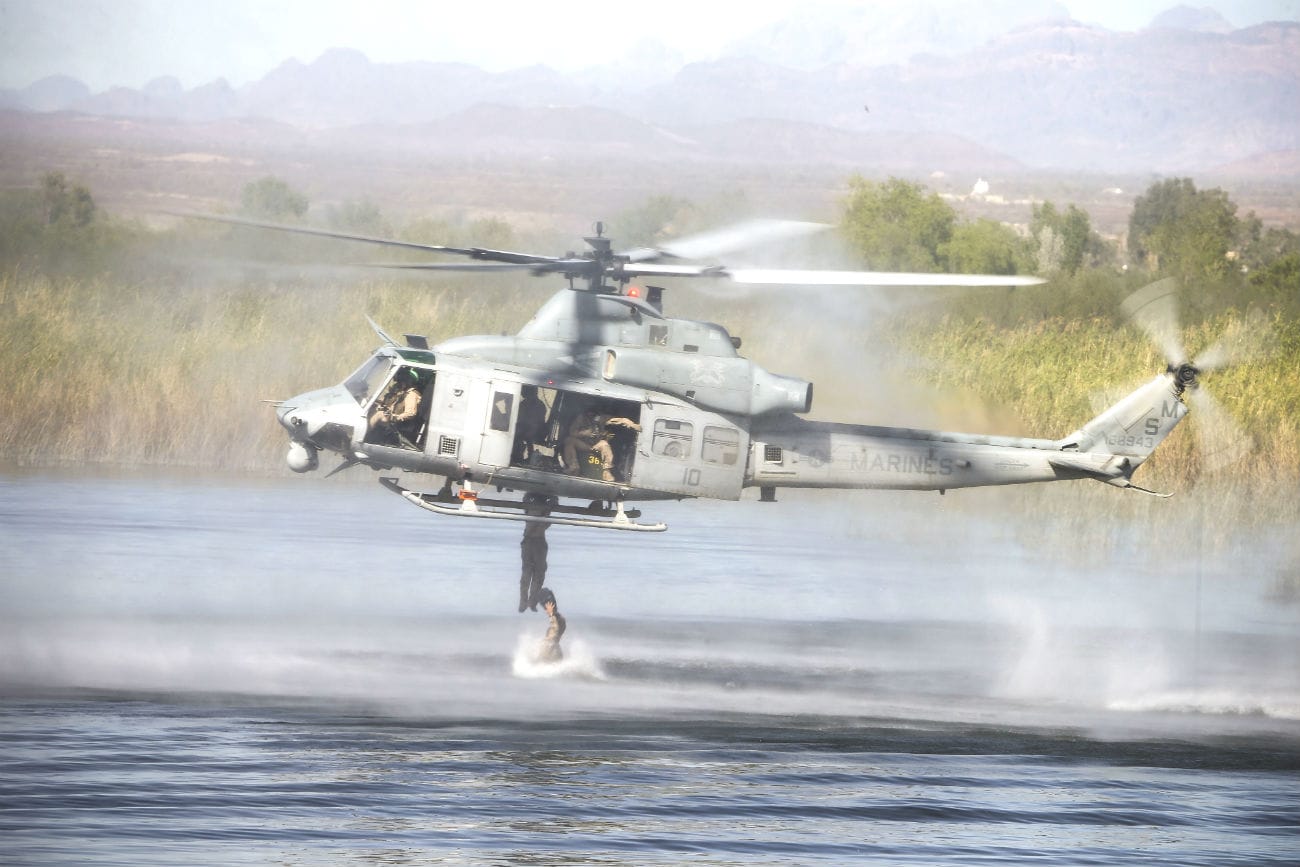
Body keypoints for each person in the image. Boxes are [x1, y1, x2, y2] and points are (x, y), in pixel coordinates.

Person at [563, 411, 640, 482]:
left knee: (604, 444)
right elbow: (572, 432)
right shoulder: (580, 418)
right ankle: (573, 467)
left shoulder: (602, 418)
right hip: (583, 444)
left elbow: (619, 420)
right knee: (569, 440)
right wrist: (585, 433)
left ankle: (607, 472)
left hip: (597, 445)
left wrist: (632, 424)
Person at [368, 368, 423, 444]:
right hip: (388, 417)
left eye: (401, 380)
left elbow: (410, 413)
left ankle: (363, 436)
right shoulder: (398, 390)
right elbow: (384, 401)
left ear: (408, 381)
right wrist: (373, 401)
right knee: (371, 409)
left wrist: (394, 417)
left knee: (378, 415)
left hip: (398, 424)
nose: (398, 382)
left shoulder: (411, 394)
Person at [518, 493, 551, 612]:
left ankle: (527, 602)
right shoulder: (545, 508)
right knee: (536, 574)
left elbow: (525, 498)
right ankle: (529, 602)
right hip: (536, 542)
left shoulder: (530, 507)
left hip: (532, 542)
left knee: (529, 573)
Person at [513, 385, 548, 464]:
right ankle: (517, 456)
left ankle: (520, 457)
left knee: (520, 434)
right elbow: (519, 418)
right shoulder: (524, 404)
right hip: (527, 430)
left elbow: (538, 422)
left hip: (537, 432)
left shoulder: (539, 405)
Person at [535, 587, 566, 663]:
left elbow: (554, 626)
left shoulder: (557, 623)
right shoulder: (560, 622)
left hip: (551, 646)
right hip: (553, 646)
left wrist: (551, 614)